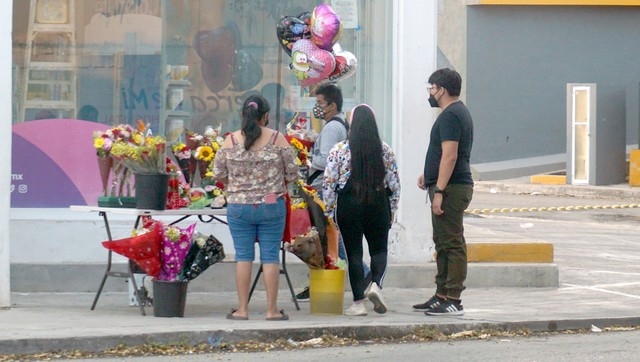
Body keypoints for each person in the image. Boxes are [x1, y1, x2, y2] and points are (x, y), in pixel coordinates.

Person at [212, 94, 298, 321]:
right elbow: (292, 172)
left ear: (243, 115)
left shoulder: (229, 141)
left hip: (239, 205)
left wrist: (236, 187)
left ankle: (242, 310)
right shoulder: (278, 139)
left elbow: (218, 174)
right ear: (266, 116)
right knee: (270, 257)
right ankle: (272, 310)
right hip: (271, 203)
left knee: (243, 256)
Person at [323, 104, 401, 316]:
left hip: (348, 206)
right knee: (379, 250)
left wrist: (329, 212)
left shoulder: (339, 150)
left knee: (354, 253)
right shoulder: (385, 150)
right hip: (378, 204)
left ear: (352, 124)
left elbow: (329, 183)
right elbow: (394, 183)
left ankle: (358, 303)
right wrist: (392, 207)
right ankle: (376, 285)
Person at [295, 83, 371, 301]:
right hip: (331, 188)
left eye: (320, 103)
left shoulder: (330, 128)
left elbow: (326, 159)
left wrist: (305, 158)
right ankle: (324, 280)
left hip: (322, 189)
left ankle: (361, 273)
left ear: (332, 105)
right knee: (327, 238)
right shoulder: (341, 125)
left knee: (326, 238)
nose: (317, 107)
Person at [413, 68, 474, 316]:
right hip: (446, 185)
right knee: (442, 241)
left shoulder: (451, 115)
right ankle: (441, 295)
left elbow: (450, 155)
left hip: (452, 188)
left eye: (431, 88)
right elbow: (442, 155)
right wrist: (428, 176)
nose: (430, 93)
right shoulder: (455, 113)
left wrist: (438, 189)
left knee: (452, 243)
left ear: (442, 90)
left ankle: (454, 299)